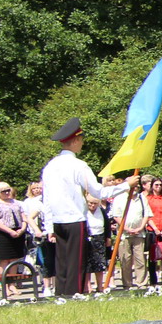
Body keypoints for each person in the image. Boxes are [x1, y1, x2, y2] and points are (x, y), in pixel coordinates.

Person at [39, 118, 135, 296]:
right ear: (75, 140)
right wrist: (126, 185)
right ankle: (74, 294)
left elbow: (47, 199)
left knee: (62, 262)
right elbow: (99, 192)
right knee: (76, 262)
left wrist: (49, 226)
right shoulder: (79, 165)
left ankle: (61, 294)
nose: (82, 144)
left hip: (58, 220)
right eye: (81, 140)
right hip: (75, 219)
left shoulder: (50, 166)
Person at [110, 179, 150, 289]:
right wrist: (127, 228)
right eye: (133, 185)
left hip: (139, 233)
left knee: (140, 259)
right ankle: (127, 284)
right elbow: (116, 216)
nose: (135, 188)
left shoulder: (142, 198)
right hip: (124, 234)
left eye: (136, 186)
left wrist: (140, 227)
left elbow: (146, 214)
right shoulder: (119, 198)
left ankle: (141, 283)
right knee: (125, 259)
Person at [0, 182, 27, 268]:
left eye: (8, 190)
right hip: (3, 234)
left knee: (15, 258)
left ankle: (13, 277)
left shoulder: (16, 203)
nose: (7, 193)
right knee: (4, 259)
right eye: (4, 191)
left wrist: (22, 229)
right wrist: (10, 231)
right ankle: (3, 277)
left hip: (18, 232)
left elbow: (24, 219)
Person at [146, 178, 162, 285]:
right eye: (156, 185)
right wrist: (155, 229)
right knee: (153, 256)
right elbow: (147, 215)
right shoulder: (148, 198)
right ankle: (153, 280)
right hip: (152, 229)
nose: (159, 187)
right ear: (152, 186)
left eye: (160, 185)